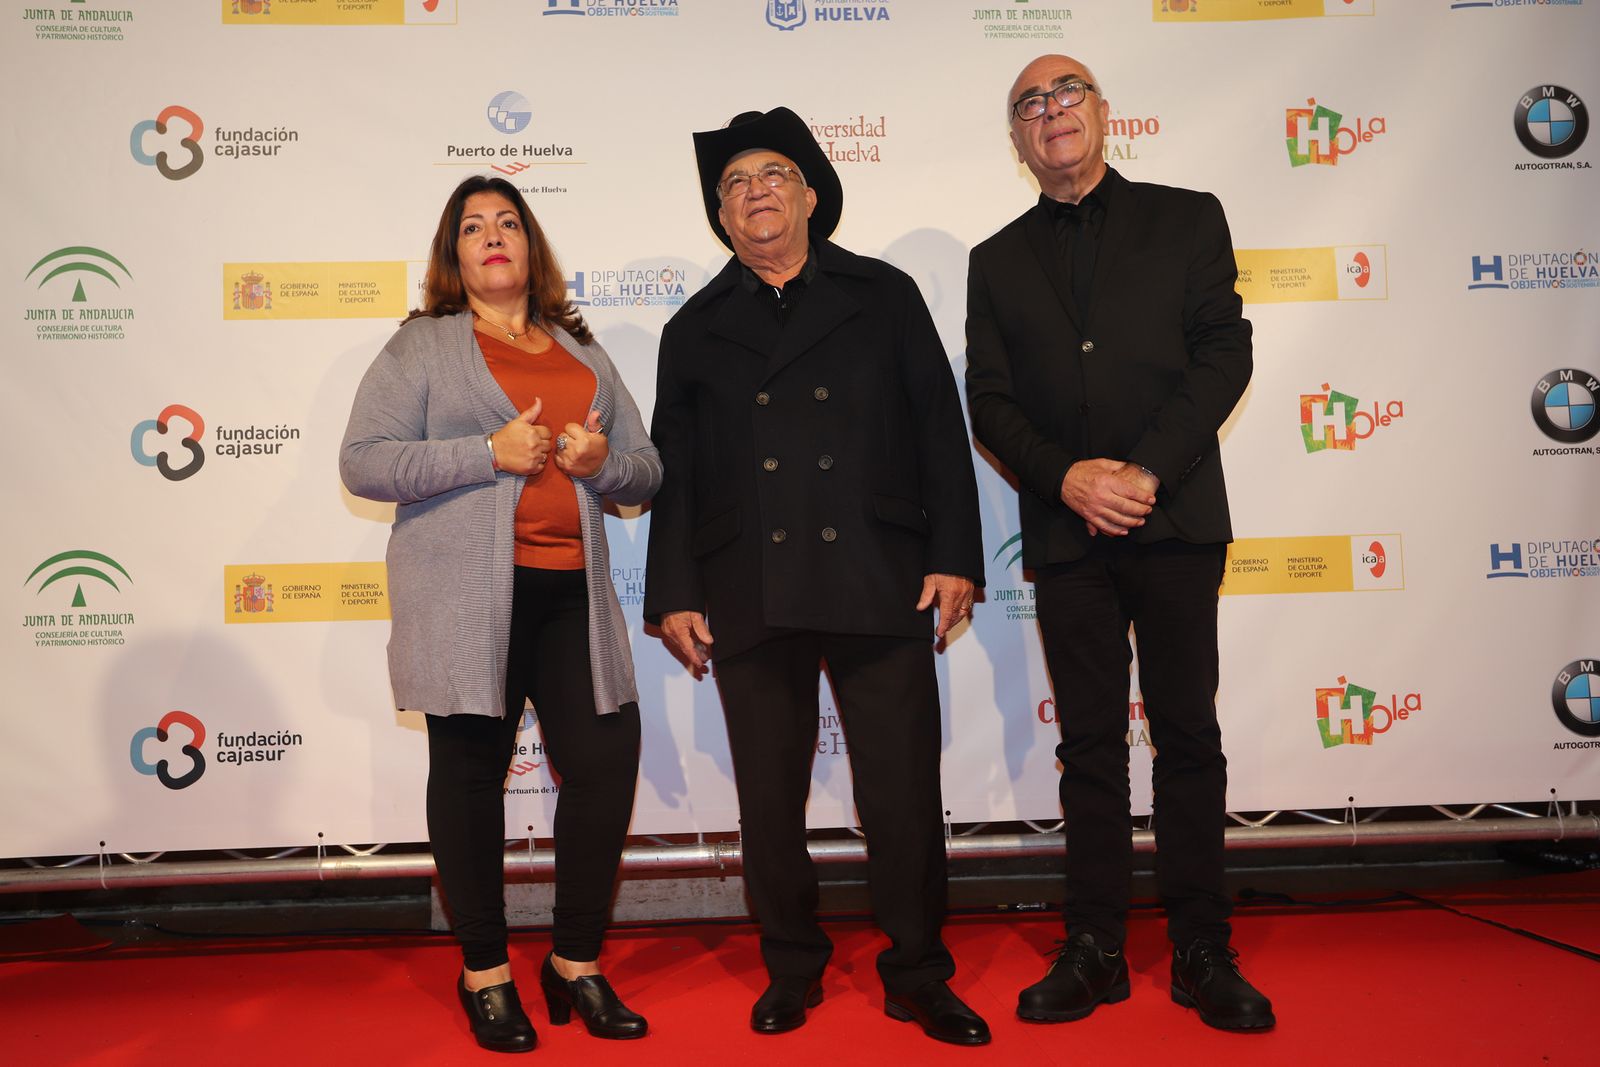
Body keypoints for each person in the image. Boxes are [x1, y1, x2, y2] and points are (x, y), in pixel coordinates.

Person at [644, 108, 989, 1046]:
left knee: (905, 795)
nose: (754, 193)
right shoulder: (695, 327)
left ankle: (918, 969)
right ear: (720, 216)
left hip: (878, 574)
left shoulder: (884, 294)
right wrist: (672, 587)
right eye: (734, 185)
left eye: (772, 175)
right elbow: (675, 472)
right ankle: (791, 964)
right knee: (768, 798)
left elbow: (937, 430)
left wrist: (956, 552)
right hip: (751, 582)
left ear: (808, 194)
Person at [965, 55, 1273, 1032]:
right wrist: (1065, 478)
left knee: (1187, 735)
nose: (1049, 112)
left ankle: (1199, 947)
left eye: (1066, 95)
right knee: (1088, 745)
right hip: (1065, 533)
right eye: (1029, 105)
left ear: (1103, 113)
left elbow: (1225, 351)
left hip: (1175, 519)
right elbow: (991, 401)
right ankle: (1092, 947)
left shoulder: (1188, 217)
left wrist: (1141, 470)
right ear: (1017, 140)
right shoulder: (996, 258)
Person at [340, 175, 662, 1053]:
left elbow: (646, 470)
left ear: (531, 246)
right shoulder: (422, 349)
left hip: (572, 599)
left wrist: (599, 462)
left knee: (604, 762)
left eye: (508, 223)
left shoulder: (581, 350)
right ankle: (484, 970)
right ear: (455, 255)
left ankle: (575, 960)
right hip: (463, 600)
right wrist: (488, 453)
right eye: (473, 226)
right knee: (471, 775)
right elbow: (364, 461)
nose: (493, 237)